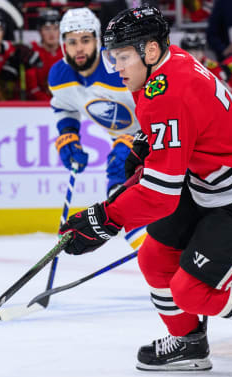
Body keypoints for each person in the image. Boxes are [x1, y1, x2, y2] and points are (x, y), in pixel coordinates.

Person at [59, 6, 232, 371]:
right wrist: (145, 143)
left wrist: (103, 219)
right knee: (153, 258)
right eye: (113, 57)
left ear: (149, 51)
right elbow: (179, 135)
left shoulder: (168, 91)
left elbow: (160, 193)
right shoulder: (164, 68)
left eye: (121, 57)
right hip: (204, 182)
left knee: (192, 291)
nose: (116, 67)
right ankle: (189, 342)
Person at [48, 7, 146, 249]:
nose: (79, 48)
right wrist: (68, 135)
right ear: (63, 45)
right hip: (127, 140)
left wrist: (139, 139)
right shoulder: (59, 75)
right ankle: (152, 251)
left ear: (98, 40)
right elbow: (64, 107)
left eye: (85, 40)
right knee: (118, 193)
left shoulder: (121, 66)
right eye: (71, 41)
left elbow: (161, 104)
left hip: (163, 134)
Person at [31, 8, 63, 100]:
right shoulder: (32, 51)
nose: (51, 33)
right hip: (39, 106)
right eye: (47, 28)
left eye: (55, 28)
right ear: (40, 31)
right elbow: (32, 89)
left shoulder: (68, 50)